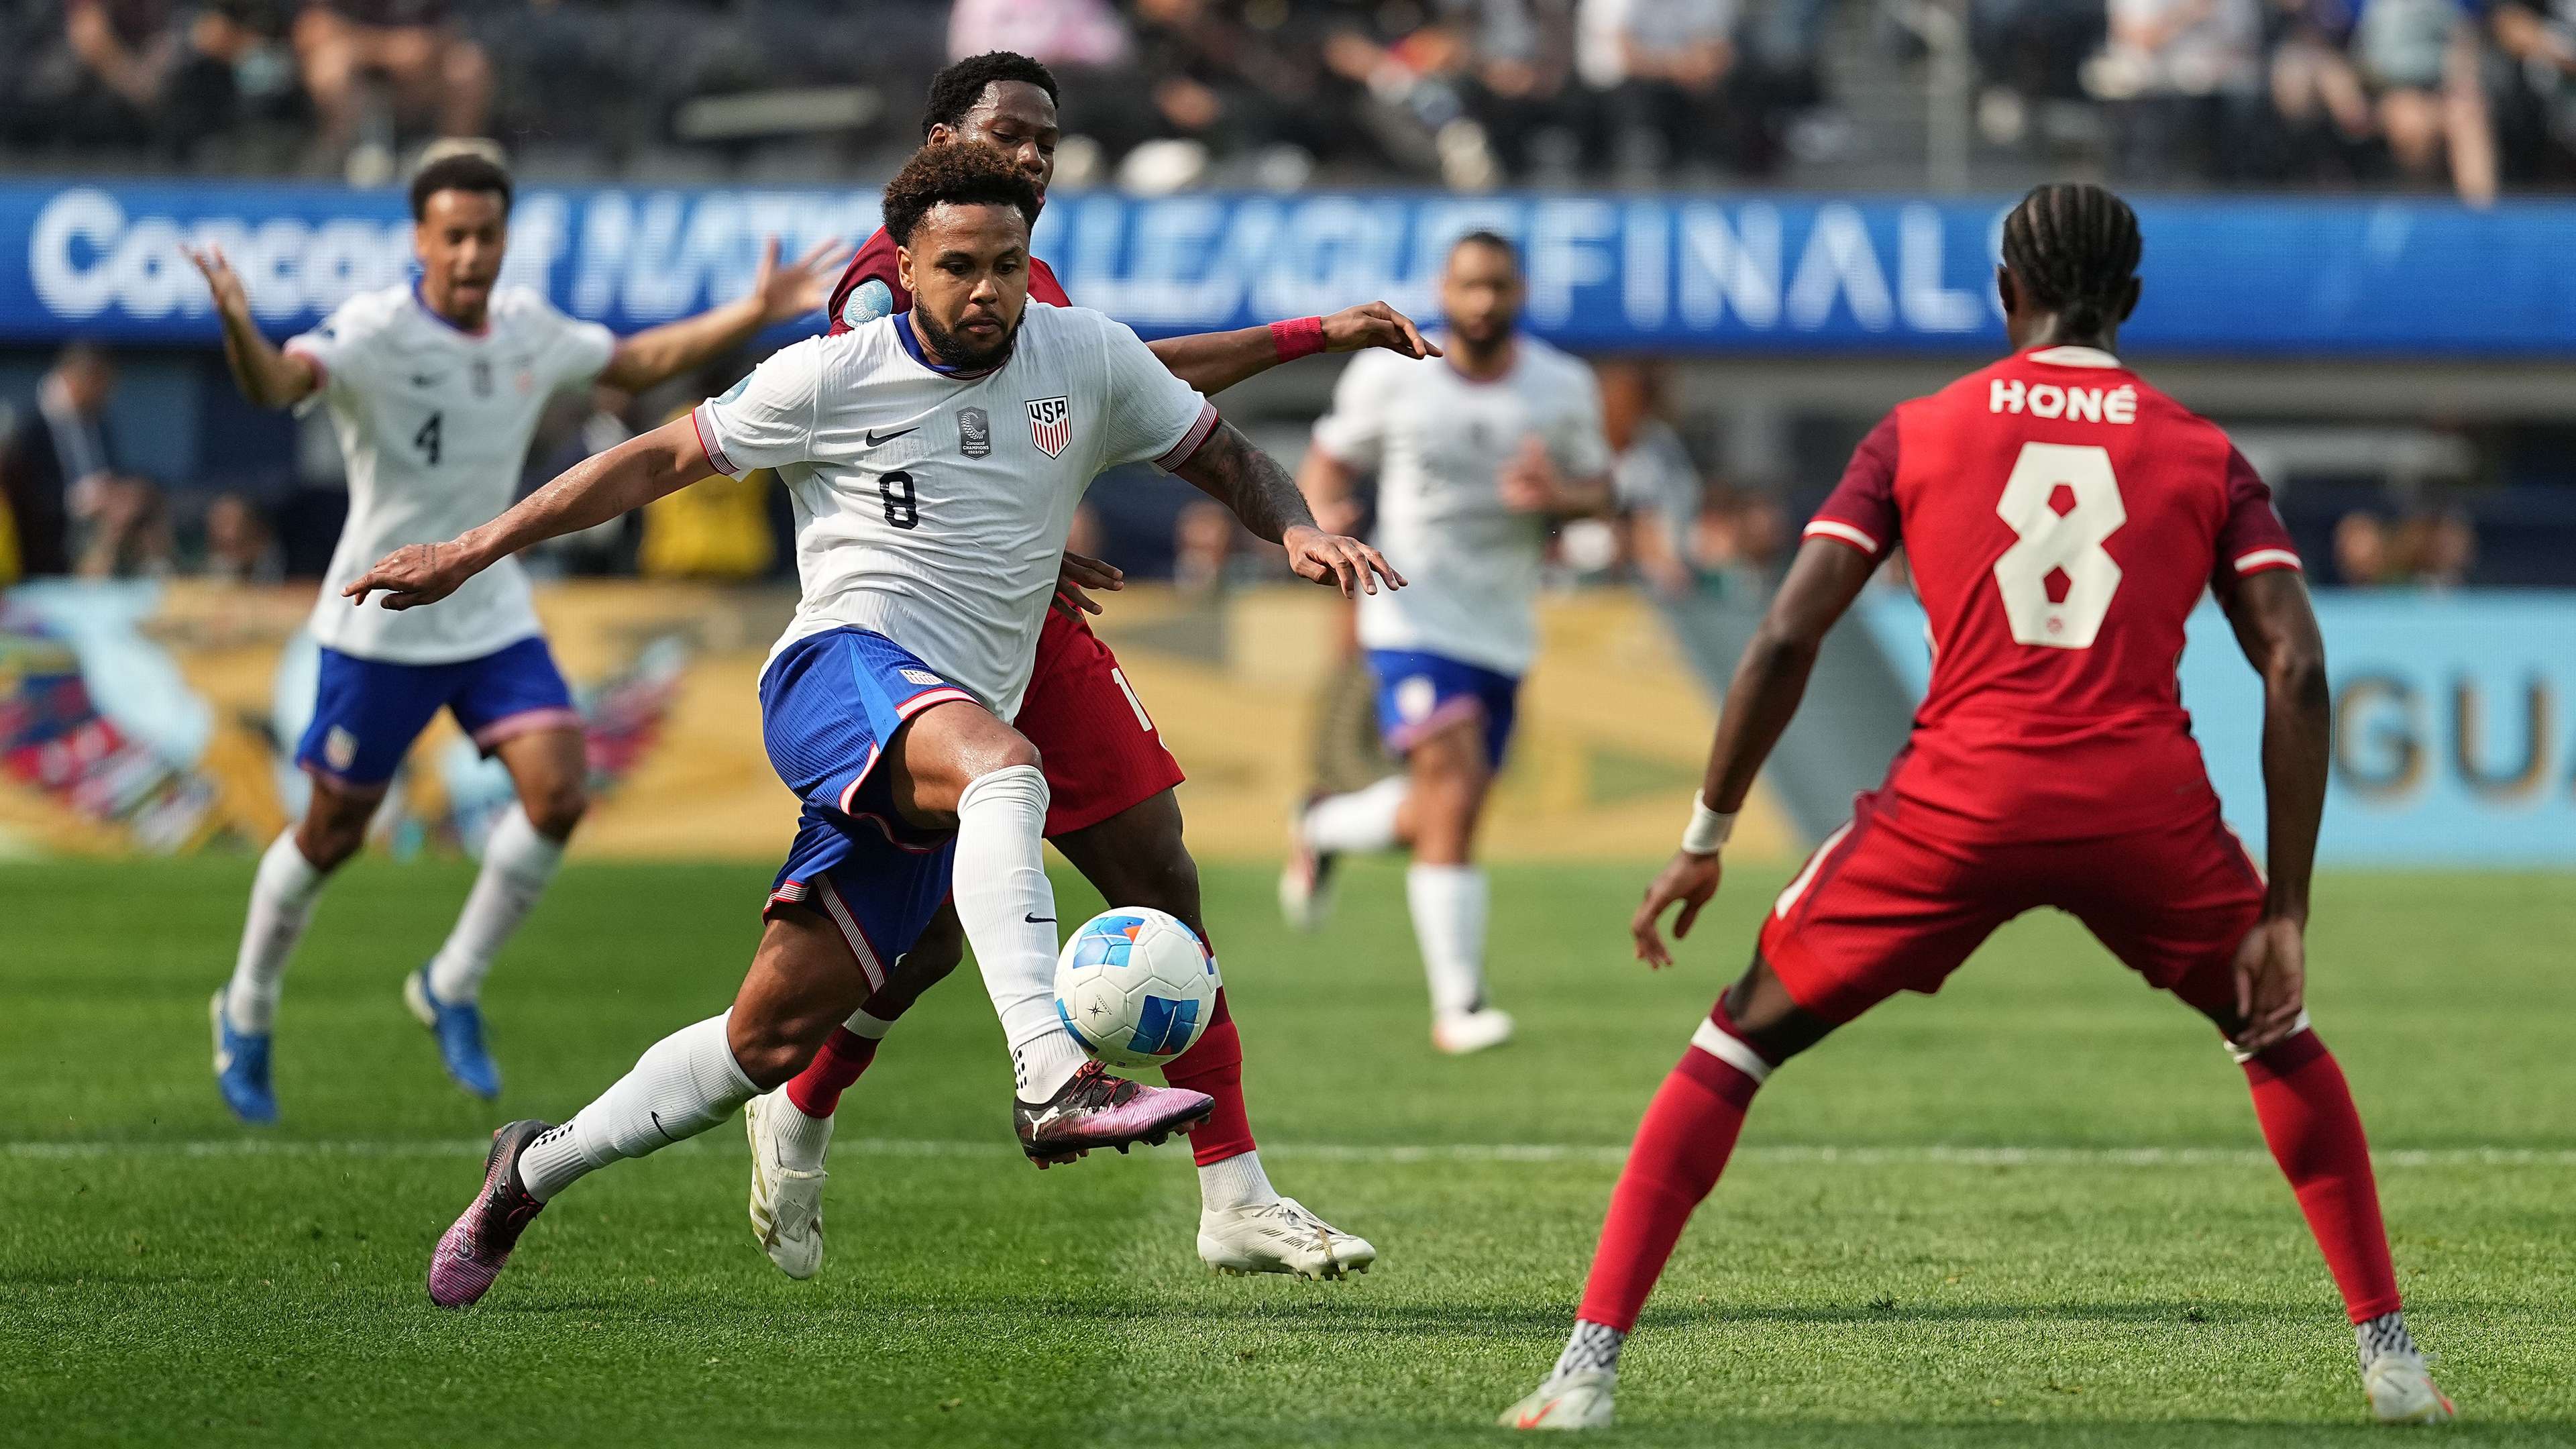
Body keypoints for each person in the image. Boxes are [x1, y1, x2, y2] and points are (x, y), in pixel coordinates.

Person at [340, 142, 1401, 1309]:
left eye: (1007, 263)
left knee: (765, 1040)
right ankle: (1054, 1075)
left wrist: (1291, 527)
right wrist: (471, 548)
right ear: (903, 266)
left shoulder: (1084, 354)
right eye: (958, 267)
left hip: (941, 729)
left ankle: (529, 1169)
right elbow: (648, 461)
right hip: (836, 677)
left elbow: (1225, 452)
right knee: (1010, 770)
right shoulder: (827, 376)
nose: (986, 289)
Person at [1498, 184, 2452, 1430]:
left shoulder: (1915, 431)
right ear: (2135, 304)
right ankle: (2393, 1362)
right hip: (2140, 808)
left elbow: (1788, 635)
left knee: (1736, 1042)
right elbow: (2300, 667)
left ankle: (1586, 1371)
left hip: (1958, 805)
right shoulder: (2205, 451)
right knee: (2280, 1037)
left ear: (2007, 294)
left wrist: (1706, 839)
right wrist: (2286, 908)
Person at [745, 50, 1436, 1287]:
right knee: (921, 942)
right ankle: (802, 1100)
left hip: (1035, 637)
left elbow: (1134, 380)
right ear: (937, 142)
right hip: (910, 644)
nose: (1029, 158)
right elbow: (884, 447)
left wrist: (1308, 338)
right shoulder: (878, 292)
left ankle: (1236, 1196)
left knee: (1160, 871)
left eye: (1046, 142)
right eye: (1006, 134)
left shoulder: (1024, 273)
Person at [189, 151, 847, 1124]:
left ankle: (451, 983)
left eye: (484, 235)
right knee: (330, 835)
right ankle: (244, 1006)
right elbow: (276, 384)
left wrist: (755, 310)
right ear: (419, 241)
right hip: (379, 619)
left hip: (488, 612)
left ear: (503, 239)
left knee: (559, 791)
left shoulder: (530, 329)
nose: (469, 253)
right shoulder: (375, 332)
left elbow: (637, 363)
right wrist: (241, 328)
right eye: (451, 235)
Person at [1281, 231, 1615, 1056]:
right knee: (1456, 786)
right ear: (1446, 288)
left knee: (1443, 810)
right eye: (1469, 285)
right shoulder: (1392, 372)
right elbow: (1327, 460)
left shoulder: (1562, 386)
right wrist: (1319, 525)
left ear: (1520, 291)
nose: (1483, 302)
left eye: (1498, 285)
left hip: (1502, 628)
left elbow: (1602, 495)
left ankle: (1322, 826)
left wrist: (1559, 496)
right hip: (1408, 614)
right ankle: (1459, 1004)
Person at [0, 342, 124, 581]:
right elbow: (26, 498)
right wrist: (77, 500)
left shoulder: (98, 424)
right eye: (100, 386)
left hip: (93, 557)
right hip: (37, 565)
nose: (105, 395)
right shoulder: (29, 429)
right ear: (78, 379)